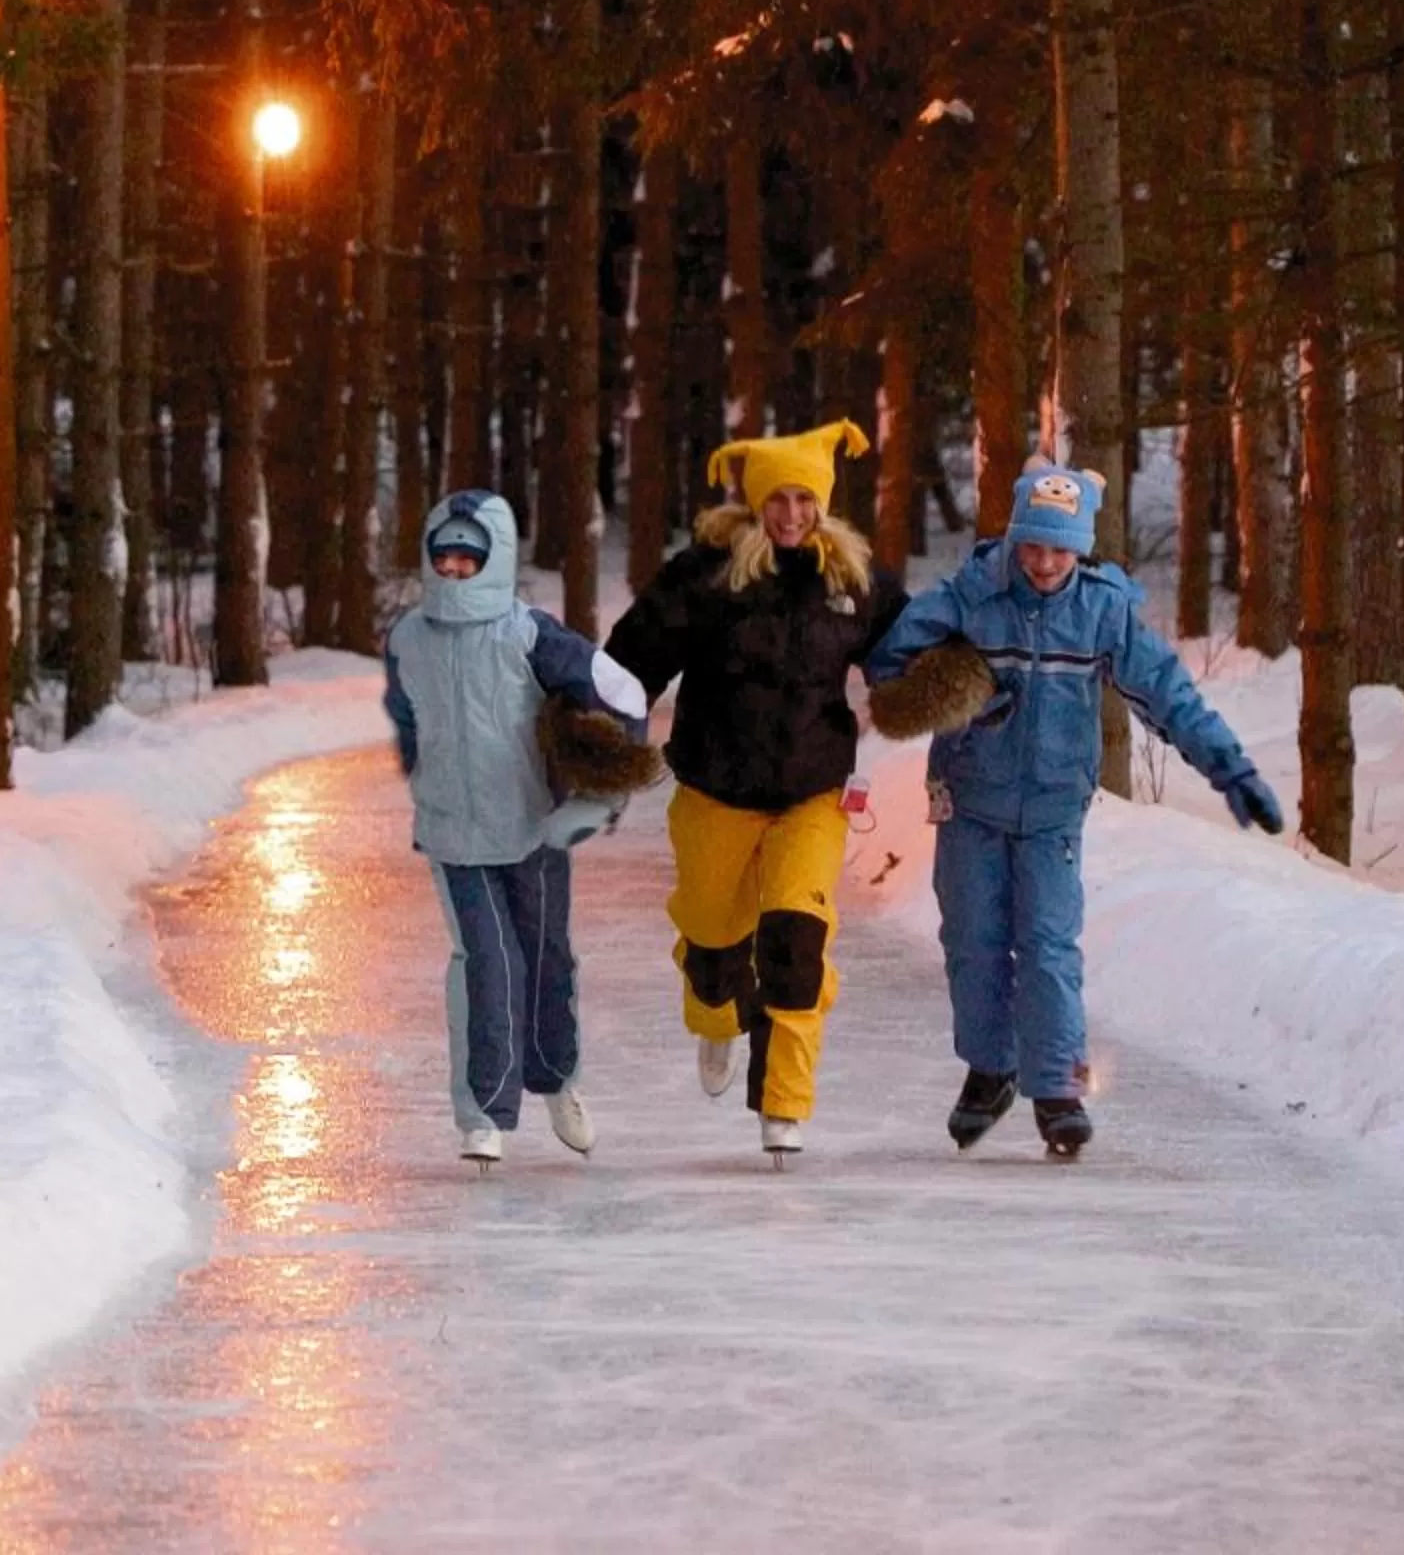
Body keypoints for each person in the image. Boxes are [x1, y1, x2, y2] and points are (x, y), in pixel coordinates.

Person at [866, 461, 1282, 1159]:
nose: (1044, 563)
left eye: (1060, 549)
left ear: (1081, 549)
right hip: (971, 800)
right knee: (972, 942)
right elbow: (889, 665)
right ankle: (991, 1068)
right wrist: (961, 693)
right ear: (1014, 541)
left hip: (1056, 809)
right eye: (1032, 546)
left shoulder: (1101, 609)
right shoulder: (973, 594)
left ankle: (1057, 1089)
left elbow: (1168, 696)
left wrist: (1228, 767)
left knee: (1048, 948)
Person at [603, 420, 907, 1163]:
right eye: (779, 499)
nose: (793, 514)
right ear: (757, 501)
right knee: (712, 947)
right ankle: (714, 1013)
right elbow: (633, 656)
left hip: (812, 792)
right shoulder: (708, 574)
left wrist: (951, 684)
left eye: (806, 499)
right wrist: (598, 726)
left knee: (796, 942)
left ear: (824, 503)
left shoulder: (853, 580)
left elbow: (914, 648)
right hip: (715, 788)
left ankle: (784, 1103)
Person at [384, 490, 658, 1167]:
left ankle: (556, 1078)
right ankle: (484, 1112)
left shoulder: (528, 633)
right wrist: (423, 772)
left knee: (545, 960)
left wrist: (601, 786)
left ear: (495, 560)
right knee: (487, 961)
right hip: (453, 836)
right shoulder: (409, 637)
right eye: (442, 558)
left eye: (467, 559)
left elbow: (621, 694)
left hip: (533, 829)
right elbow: (406, 715)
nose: (452, 570)